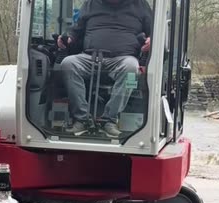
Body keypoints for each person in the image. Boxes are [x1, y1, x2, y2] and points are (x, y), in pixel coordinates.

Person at [58, 0, 152, 138]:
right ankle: (82, 119)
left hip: (123, 59)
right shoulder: (90, 4)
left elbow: (154, 31)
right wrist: (67, 39)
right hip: (90, 57)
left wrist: (152, 39)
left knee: (131, 68)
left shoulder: (140, 5)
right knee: (68, 63)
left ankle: (109, 120)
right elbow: (76, 30)